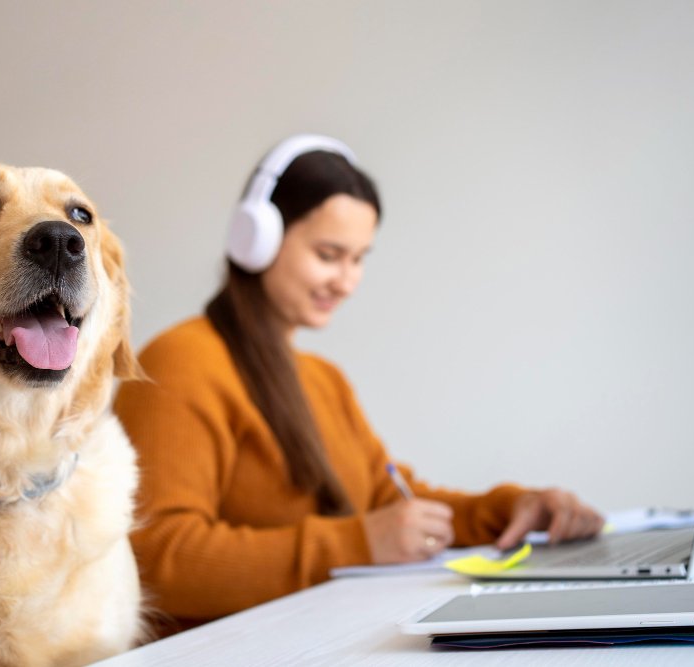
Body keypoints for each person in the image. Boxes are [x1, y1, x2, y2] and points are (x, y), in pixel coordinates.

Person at [114, 134, 604, 636]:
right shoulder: (181, 362)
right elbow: (156, 558)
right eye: (329, 254)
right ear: (256, 239)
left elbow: (392, 504)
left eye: (359, 258)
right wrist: (355, 544)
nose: (346, 282)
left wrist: (513, 510)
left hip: (315, 639)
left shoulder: (325, 380)